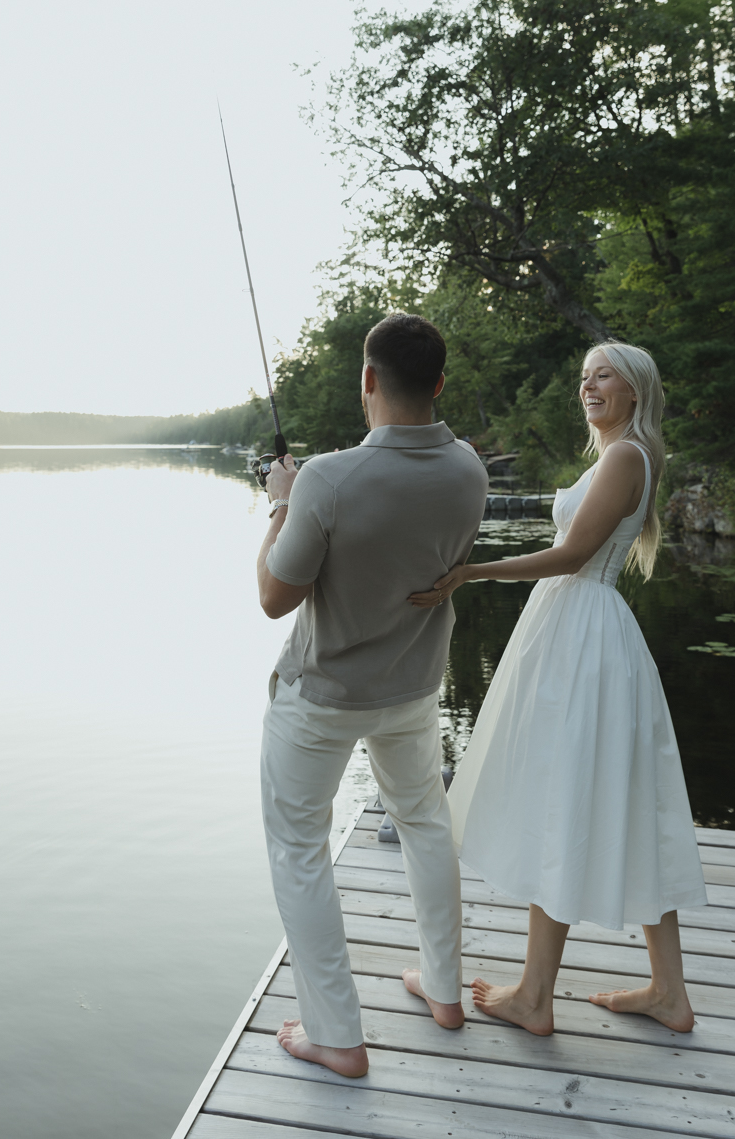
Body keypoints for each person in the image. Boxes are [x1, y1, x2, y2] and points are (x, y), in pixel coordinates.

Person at [409, 341, 707, 1035]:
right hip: (578, 633)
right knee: (628, 807)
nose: (590, 386)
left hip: (585, 640)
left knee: (562, 798)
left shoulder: (626, 456)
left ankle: (536, 998)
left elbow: (573, 556)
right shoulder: (616, 457)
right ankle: (669, 993)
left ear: (635, 390)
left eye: (605, 376)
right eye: (584, 376)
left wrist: (471, 573)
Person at [257, 313, 489, 1077]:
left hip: (323, 696)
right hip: (416, 689)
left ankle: (337, 1035)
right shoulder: (470, 471)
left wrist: (281, 503)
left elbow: (274, 597)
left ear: (368, 379)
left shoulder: (328, 476)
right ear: (440, 384)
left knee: (299, 851)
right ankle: (446, 992)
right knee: (424, 823)